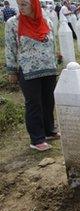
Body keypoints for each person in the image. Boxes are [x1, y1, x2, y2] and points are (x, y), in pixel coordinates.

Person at [5, 0, 59, 151]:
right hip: (28, 70)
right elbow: (10, 47)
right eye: (19, 5)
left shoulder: (47, 21)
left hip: (48, 69)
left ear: (34, 5)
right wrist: (11, 70)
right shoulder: (13, 23)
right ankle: (37, 139)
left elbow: (52, 44)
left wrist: (55, 61)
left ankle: (49, 131)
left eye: (24, 5)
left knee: (48, 100)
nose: (20, 8)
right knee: (34, 103)